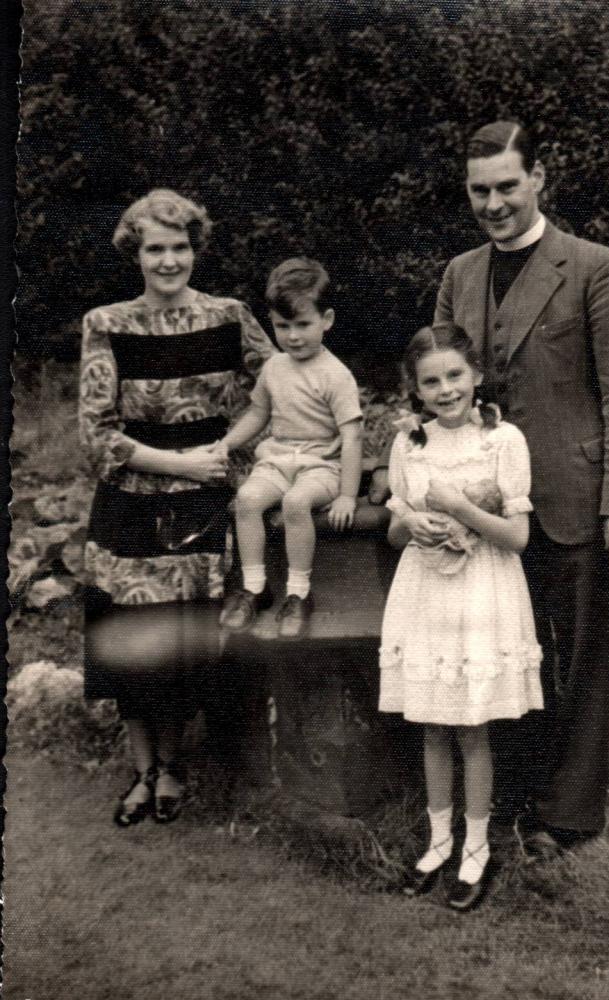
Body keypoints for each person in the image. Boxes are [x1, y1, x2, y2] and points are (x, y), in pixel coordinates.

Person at [372, 121, 609, 854]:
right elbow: (428, 393)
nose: (494, 203)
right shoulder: (460, 274)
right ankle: (510, 796)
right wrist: (412, 493)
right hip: (481, 511)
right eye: (479, 190)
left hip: (575, 500)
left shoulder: (598, 267)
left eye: (506, 186)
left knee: (580, 660)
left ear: (539, 180)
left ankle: (567, 816)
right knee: (504, 654)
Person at [79, 188, 275, 826]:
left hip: (205, 508)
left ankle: (175, 768)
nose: (169, 261)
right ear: (135, 253)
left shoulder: (230, 316)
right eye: (155, 248)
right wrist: (177, 462)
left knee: (183, 648)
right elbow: (97, 434)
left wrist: (230, 448)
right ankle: (144, 772)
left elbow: (281, 389)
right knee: (133, 648)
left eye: (180, 247)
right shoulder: (107, 324)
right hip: (132, 505)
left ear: (196, 249)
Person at [380, 323, 543, 911]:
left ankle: (476, 847)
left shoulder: (503, 439)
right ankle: (438, 840)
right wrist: (413, 524)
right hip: (426, 590)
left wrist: (459, 507)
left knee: (472, 724)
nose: (445, 389)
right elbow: (397, 530)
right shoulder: (410, 444)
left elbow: (518, 537)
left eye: (454, 375)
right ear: (416, 390)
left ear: (475, 375)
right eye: (431, 381)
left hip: (481, 592)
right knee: (431, 721)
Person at [217, 257, 363, 639]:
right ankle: (255, 587)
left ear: (326, 320)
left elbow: (352, 437)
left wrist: (348, 494)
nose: (293, 336)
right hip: (278, 460)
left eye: (303, 324)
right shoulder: (274, 368)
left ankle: (298, 593)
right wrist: (227, 443)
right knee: (247, 500)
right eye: (283, 326)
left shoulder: (336, 375)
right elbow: (258, 413)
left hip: (321, 467)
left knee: (296, 503)